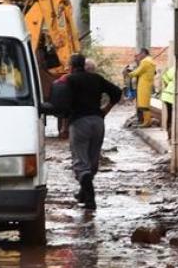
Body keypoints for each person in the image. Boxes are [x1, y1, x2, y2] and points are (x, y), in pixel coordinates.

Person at [65, 54, 122, 210]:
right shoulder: (96, 78)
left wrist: (64, 120)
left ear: (71, 66)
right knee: (92, 162)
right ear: (84, 65)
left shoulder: (69, 80)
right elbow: (117, 92)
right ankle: (83, 193)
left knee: (81, 163)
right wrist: (106, 109)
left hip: (79, 123)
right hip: (98, 122)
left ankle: (90, 200)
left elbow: (61, 103)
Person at [125, 48, 156, 127]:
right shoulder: (151, 61)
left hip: (143, 85)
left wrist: (129, 74)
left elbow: (138, 72)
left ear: (143, 53)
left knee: (143, 105)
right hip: (147, 84)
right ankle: (146, 121)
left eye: (139, 54)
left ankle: (147, 122)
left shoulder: (145, 61)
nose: (138, 56)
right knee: (144, 104)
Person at [160, 66, 175, 140]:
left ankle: (169, 134)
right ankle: (172, 134)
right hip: (173, 96)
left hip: (166, 95)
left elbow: (165, 78)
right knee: (174, 116)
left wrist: (169, 84)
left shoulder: (173, 69)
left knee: (170, 115)